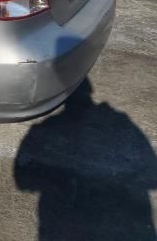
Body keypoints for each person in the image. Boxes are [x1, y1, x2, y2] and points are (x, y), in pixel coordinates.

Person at [14, 78, 157, 240]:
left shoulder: (46, 129)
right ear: (89, 93)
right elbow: (151, 175)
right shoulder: (119, 122)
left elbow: (23, 178)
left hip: (63, 224)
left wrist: (56, 180)